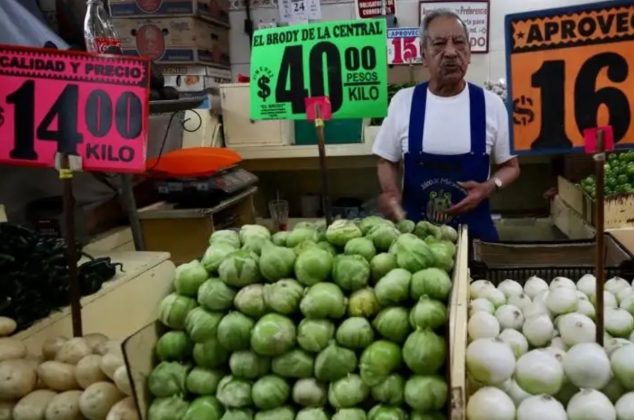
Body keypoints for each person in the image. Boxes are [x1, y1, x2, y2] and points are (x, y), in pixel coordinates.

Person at [372, 9, 520, 242]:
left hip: (475, 240)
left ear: (469, 52)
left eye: (459, 43)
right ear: (424, 55)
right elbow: (386, 160)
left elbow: (511, 167)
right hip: (415, 245)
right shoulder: (404, 101)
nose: (451, 52)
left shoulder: (491, 104)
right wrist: (391, 192)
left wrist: (489, 187)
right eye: (439, 44)